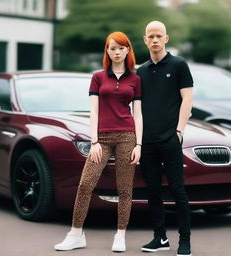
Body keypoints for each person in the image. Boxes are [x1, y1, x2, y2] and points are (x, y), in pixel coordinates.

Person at [54, 31, 143, 252]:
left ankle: (120, 235)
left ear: (127, 50)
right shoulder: (98, 77)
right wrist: (94, 141)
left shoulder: (136, 79)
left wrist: (139, 144)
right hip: (101, 138)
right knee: (85, 185)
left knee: (124, 189)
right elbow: (93, 112)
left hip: (127, 137)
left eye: (121, 48)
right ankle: (76, 234)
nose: (116, 52)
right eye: (112, 48)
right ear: (107, 50)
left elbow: (138, 114)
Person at [136, 21, 193, 256]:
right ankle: (160, 238)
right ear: (145, 39)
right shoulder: (141, 71)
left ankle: (185, 241)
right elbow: (136, 108)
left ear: (166, 38)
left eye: (159, 35)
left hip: (170, 138)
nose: (155, 39)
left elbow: (187, 101)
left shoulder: (179, 65)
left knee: (178, 190)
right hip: (147, 141)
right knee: (153, 191)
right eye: (151, 36)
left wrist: (179, 131)